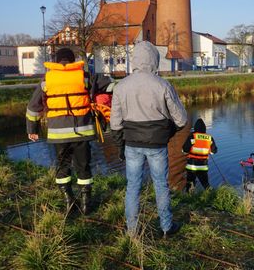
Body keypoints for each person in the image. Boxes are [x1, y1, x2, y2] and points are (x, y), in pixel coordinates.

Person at [110, 41, 187, 238]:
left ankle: (132, 230)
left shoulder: (121, 86)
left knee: (132, 186)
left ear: (135, 60)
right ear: (154, 60)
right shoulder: (163, 85)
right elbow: (181, 119)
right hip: (157, 144)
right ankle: (166, 227)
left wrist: (120, 146)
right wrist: (167, 133)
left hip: (132, 144)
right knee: (161, 185)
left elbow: (115, 124)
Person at [26, 48, 110, 215]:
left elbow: (33, 107)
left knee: (63, 166)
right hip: (82, 132)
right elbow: (108, 85)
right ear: (72, 61)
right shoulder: (85, 76)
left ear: (56, 62)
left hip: (58, 134)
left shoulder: (46, 80)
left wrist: (32, 129)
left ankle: (69, 201)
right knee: (83, 167)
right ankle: (86, 204)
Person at [182, 118, 217, 192]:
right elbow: (213, 152)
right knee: (206, 185)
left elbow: (185, 150)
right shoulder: (209, 138)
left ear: (195, 128)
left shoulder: (192, 136)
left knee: (190, 184)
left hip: (192, 167)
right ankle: (211, 197)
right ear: (204, 129)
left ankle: (190, 199)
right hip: (203, 167)